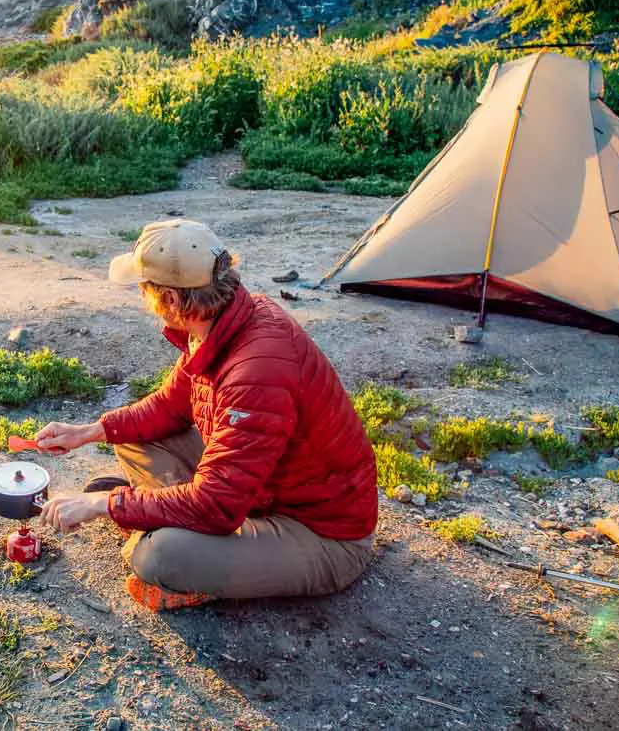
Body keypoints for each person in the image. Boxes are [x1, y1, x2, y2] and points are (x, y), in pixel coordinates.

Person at [36, 219, 378, 611]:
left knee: (158, 556)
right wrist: (89, 431)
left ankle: (182, 545)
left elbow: (216, 503)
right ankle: (172, 517)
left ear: (172, 300)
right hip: (256, 490)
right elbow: (168, 406)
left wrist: (105, 505)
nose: (142, 298)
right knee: (130, 434)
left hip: (321, 533)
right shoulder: (223, 320)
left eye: (144, 289)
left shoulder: (257, 368)